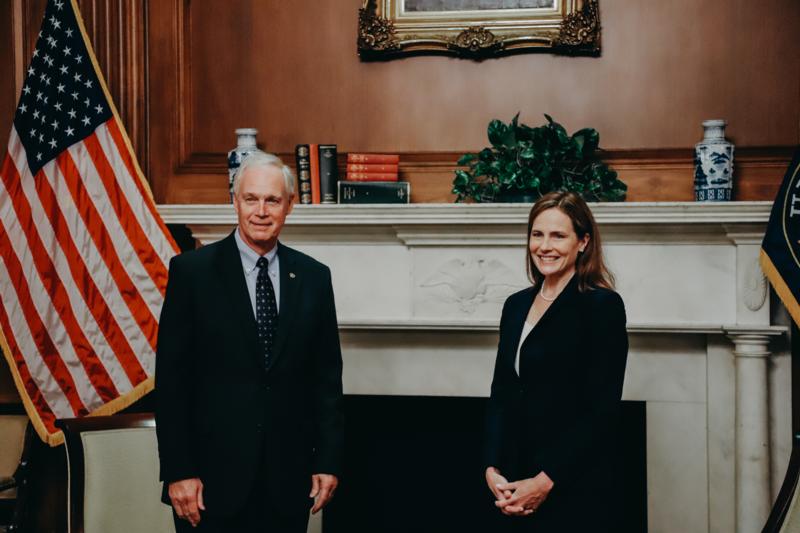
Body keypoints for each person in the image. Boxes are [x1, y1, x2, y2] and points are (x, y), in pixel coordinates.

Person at [155, 152, 344, 532]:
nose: (261, 210)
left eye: (272, 200)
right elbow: (172, 384)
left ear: (289, 205)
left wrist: (327, 461)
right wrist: (179, 471)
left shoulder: (314, 277)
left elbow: (326, 380)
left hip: (287, 483)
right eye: (251, 199)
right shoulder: (192, 273)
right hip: (208, 484)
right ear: (235, 202)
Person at [484, 191, 628, 532]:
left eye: (558, 235)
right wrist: (492, 466)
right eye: (537, 234)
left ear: (583, 242)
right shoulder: (515, 305)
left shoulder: (602, 306)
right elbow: (502, 392)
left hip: (571, 482)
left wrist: (546, 480)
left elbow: (601, 410)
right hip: (513, 482)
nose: (544, 246)